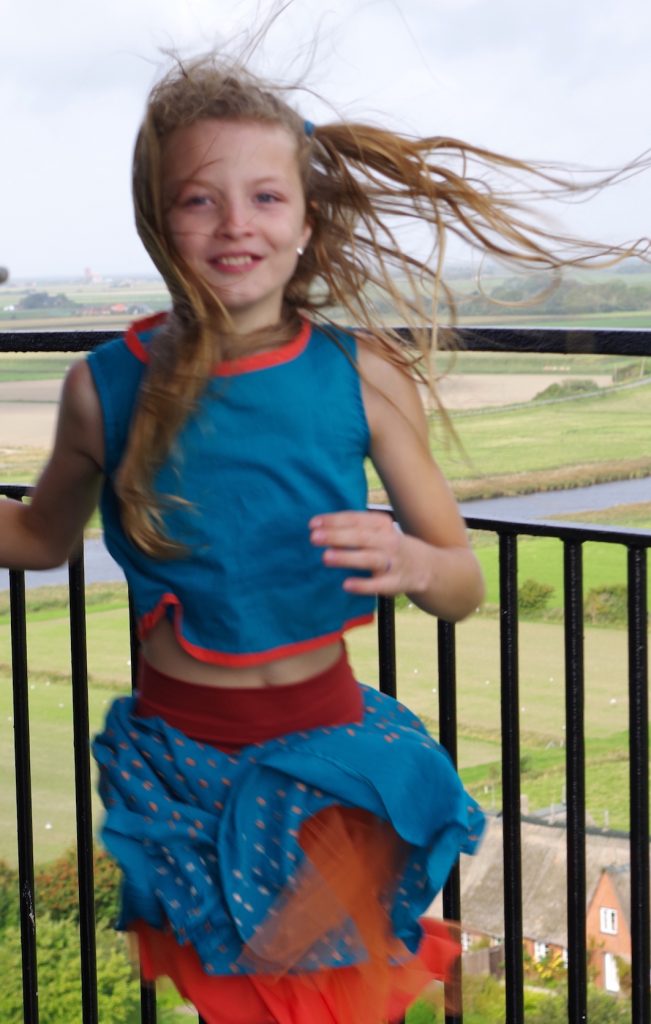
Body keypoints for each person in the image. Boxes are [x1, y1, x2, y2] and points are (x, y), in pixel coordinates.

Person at [1, 54, 646, 1024]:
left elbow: (461, 582)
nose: (236, 223)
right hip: (184, 775)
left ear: (306, 221)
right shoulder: (104, 386)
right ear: (157, 222)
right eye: (199, 199)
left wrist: (413, 560)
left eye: (265, 196)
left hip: (325, 775)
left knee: (310, 1008)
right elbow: (38, 537)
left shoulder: (361, 376)